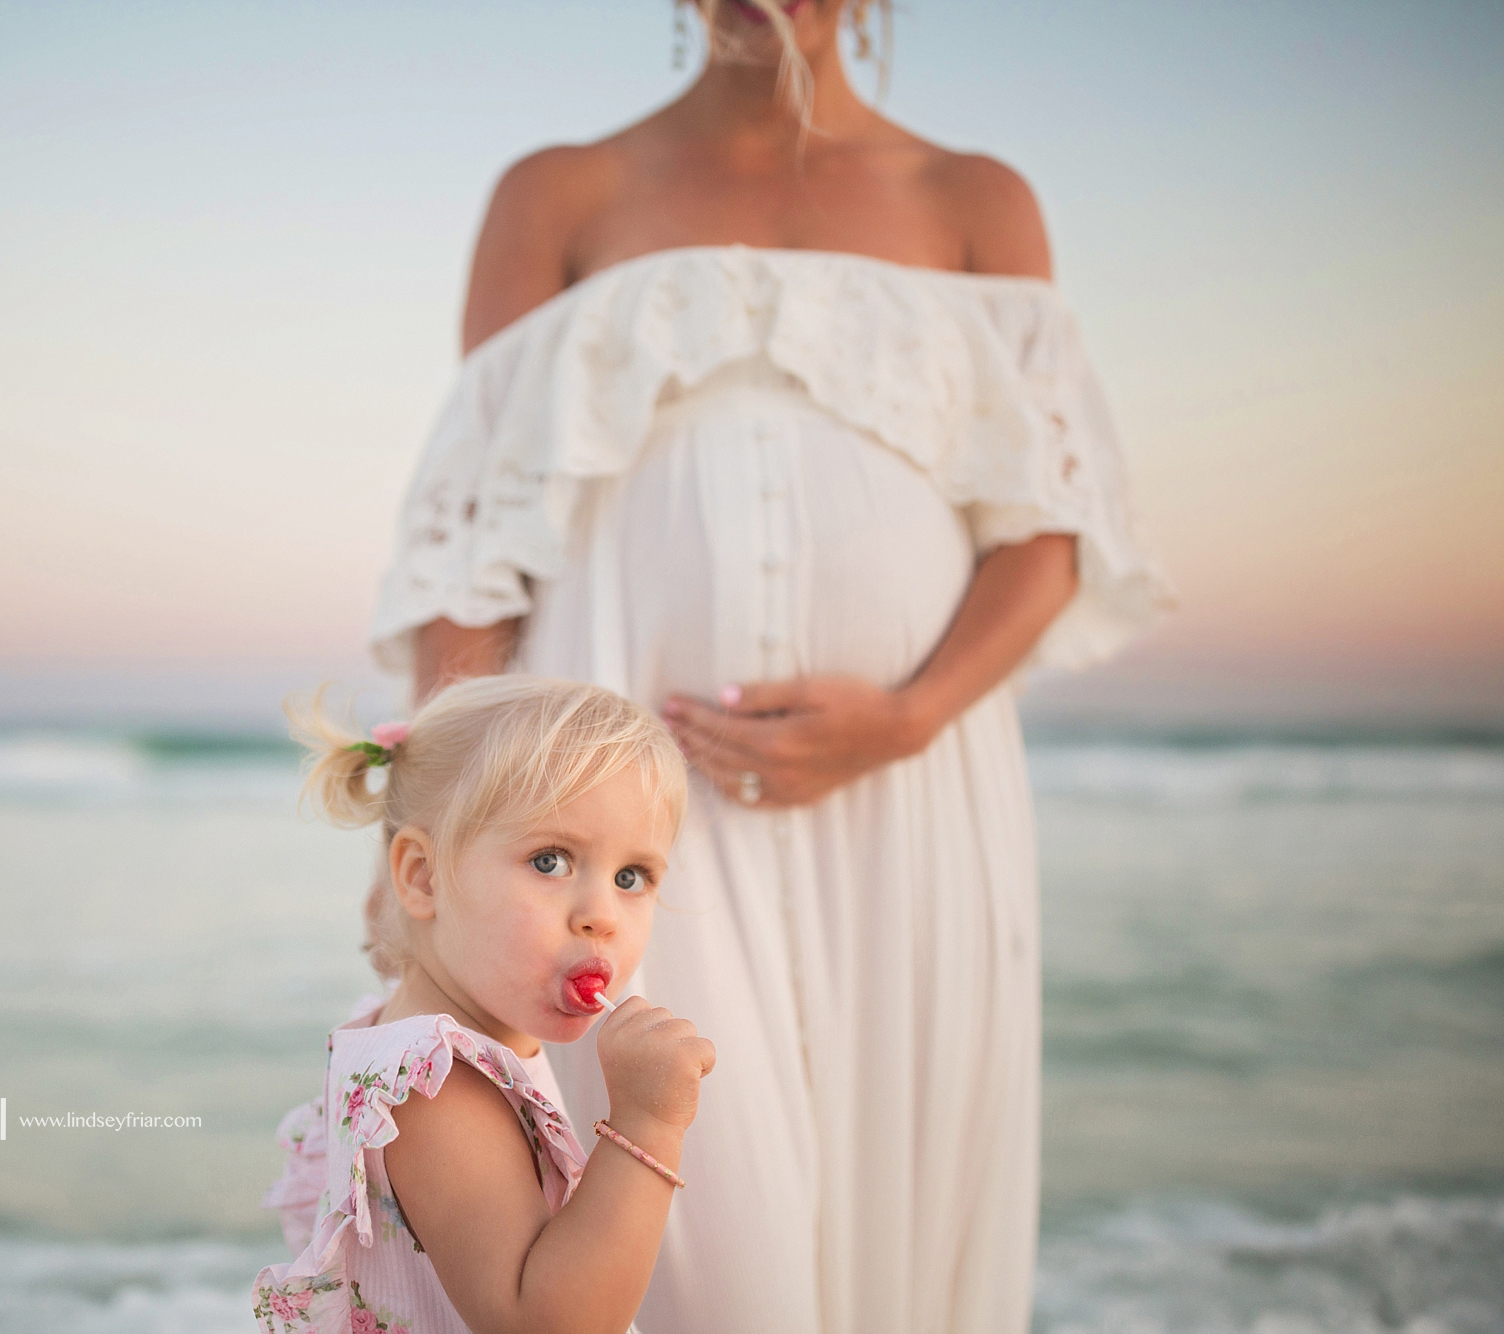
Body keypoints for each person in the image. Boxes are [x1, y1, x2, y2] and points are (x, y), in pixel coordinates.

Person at [366, 2, 1176, 1331]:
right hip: (606, 808)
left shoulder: (977, 197)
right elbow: (472, 542)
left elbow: (1049, 542)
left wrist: (906, 717)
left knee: (900, 1196)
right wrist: (435, 820)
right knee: (679, 1210)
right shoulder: (560, 189)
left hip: (910, 789)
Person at [253, 676, 717, 1334]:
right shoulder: (441, 1089)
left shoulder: (435, 1034)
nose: (601, 916)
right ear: (422, 876)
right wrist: (647, 1124)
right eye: (550, 861)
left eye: (631, 876)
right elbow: (546, 1324)